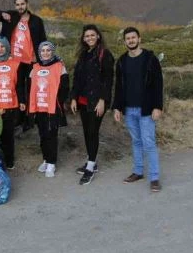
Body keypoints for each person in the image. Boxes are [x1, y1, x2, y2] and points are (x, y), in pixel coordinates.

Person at [113, 27, 164, 192]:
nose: (131, 40)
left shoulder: (150, 59)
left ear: (139, 39)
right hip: (129, 109)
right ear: (124, 41)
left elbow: (158, 85)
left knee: (148, 142)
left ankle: (154, 178)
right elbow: (119, 87)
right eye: (128, 38)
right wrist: (117, 108)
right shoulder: (121, 61)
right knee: (136, 141)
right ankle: (138, 171)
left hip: (146, 109)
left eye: (133, 37)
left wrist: (158, 106)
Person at [0, 0, 47, 130]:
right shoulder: (12, 16)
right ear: (15, 6)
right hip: (14, 61)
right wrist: (3, 14)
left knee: (30, 89)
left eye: (22, 4)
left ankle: (29, 118)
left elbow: (43, 40)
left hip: (31, 61)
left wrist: (41, 59)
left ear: (27, 4)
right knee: (16, 88)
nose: (20, 7)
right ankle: (18, 118)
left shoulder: (36, 21)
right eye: (17, 4)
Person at [70, 24, 115, 185]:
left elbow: (108, 80)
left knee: (93, 131)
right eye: (86, 36)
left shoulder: (105, 54)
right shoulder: (83, 55)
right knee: (87, 132)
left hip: (97, 101)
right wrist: (73, 97)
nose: (89, 38)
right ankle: (91, 161)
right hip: (83, 100)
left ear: (98, 36)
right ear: (83, 38)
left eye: (92, 35)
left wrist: (103, 100)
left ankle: (90, 166)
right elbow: (77, 78)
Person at [0, 37, 27, 170]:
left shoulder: (16, 64)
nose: (0, 49)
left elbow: (19, 85)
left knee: (8, 134)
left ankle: (9, 161)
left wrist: (22, 100)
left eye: (2, 46)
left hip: (10, 104)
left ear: (7, 47)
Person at [30, 41, 69, 178]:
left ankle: (52, 162)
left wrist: (58, 100)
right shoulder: (35, 67)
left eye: (48, 50)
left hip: (52, 107)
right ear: (39, 53)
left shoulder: (60, 66)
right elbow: (29, 86)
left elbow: (65, 87)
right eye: (43, 51)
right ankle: (46, 159)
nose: (45, 53)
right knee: (42, 134)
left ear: (52, 52)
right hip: (39, 106)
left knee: (52, 134)